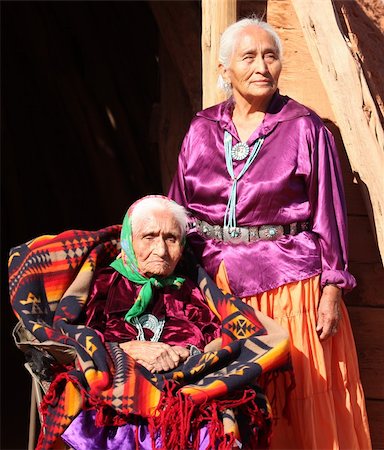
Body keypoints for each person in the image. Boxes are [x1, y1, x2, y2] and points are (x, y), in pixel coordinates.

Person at [169, 17, 372, 450]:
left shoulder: (304, 127)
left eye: (270, 56)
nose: (262, 66)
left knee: (298, 402)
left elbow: (328, 212)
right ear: (225, 70)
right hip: (215, 290)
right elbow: (177, 209)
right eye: (248, 57)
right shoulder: (201, 129)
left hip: (289, 290)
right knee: (227, 408)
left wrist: (332, 287)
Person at [61, 195, 222, 449]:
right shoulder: (105, 284)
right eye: (149, 237)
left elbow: (215, 340)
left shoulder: (189, 290)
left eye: (171, 239)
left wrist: (184, 353)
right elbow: (81, 338)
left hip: (180, 395)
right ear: (129, 240)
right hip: (119, 394)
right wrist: (126, 350)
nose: (161, 250)